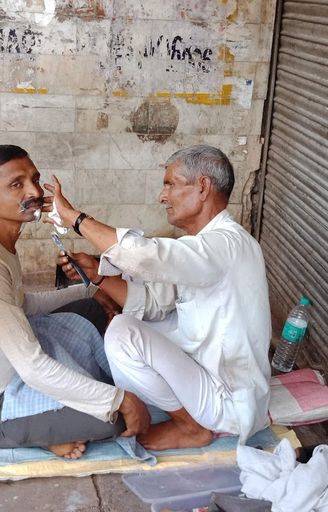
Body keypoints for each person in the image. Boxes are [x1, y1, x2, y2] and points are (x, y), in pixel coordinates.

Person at [0, 144, 151, 459]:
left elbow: (23, 304)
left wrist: (91, 290)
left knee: (90, 308)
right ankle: (40, 435)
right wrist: (120, 401)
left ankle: (51, 423)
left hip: (9, 368)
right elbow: (32, 367)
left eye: (35, 179)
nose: (33, 191)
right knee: (114, 421)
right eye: (16, 184)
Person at [45, 145, 271, 451]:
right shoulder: (206, 246)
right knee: (138, 321)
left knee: (122, 333)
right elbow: (152, 303)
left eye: (170, 184)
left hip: (229, 401)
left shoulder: (225, 244)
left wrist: (73, 218)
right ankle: (182, 414)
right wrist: (99, 275)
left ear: (203, 187)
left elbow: (146, 257)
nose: (162, 197)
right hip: (207, 371)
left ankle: (190, 426)